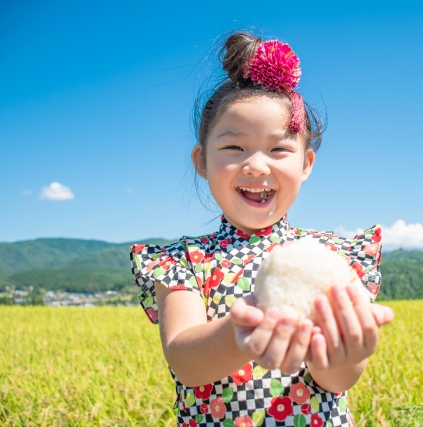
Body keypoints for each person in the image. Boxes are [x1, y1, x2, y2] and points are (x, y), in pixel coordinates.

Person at [130, 31, 394, 427]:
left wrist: (347, 354)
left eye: (279, 149)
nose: (256, 165)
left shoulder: (330, 258)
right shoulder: (184, 261)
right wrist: (247, 326)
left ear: (306, 164)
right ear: (201, 161)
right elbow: (185, 359)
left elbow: (337, 380)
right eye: (234, 148)